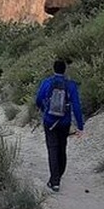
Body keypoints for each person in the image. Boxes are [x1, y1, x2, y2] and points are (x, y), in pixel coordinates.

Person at [34, 59, 84, 192]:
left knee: (52, 149)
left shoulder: (47, 82)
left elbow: (38, 100)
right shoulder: (71, 85)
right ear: (65, 70)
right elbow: (76, 106)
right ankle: (58, 176)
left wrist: (43, 109)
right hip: (64, 122)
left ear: (53, 69)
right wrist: (80, 125)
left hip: (49, 121)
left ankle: (54, 181)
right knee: (62, 149)